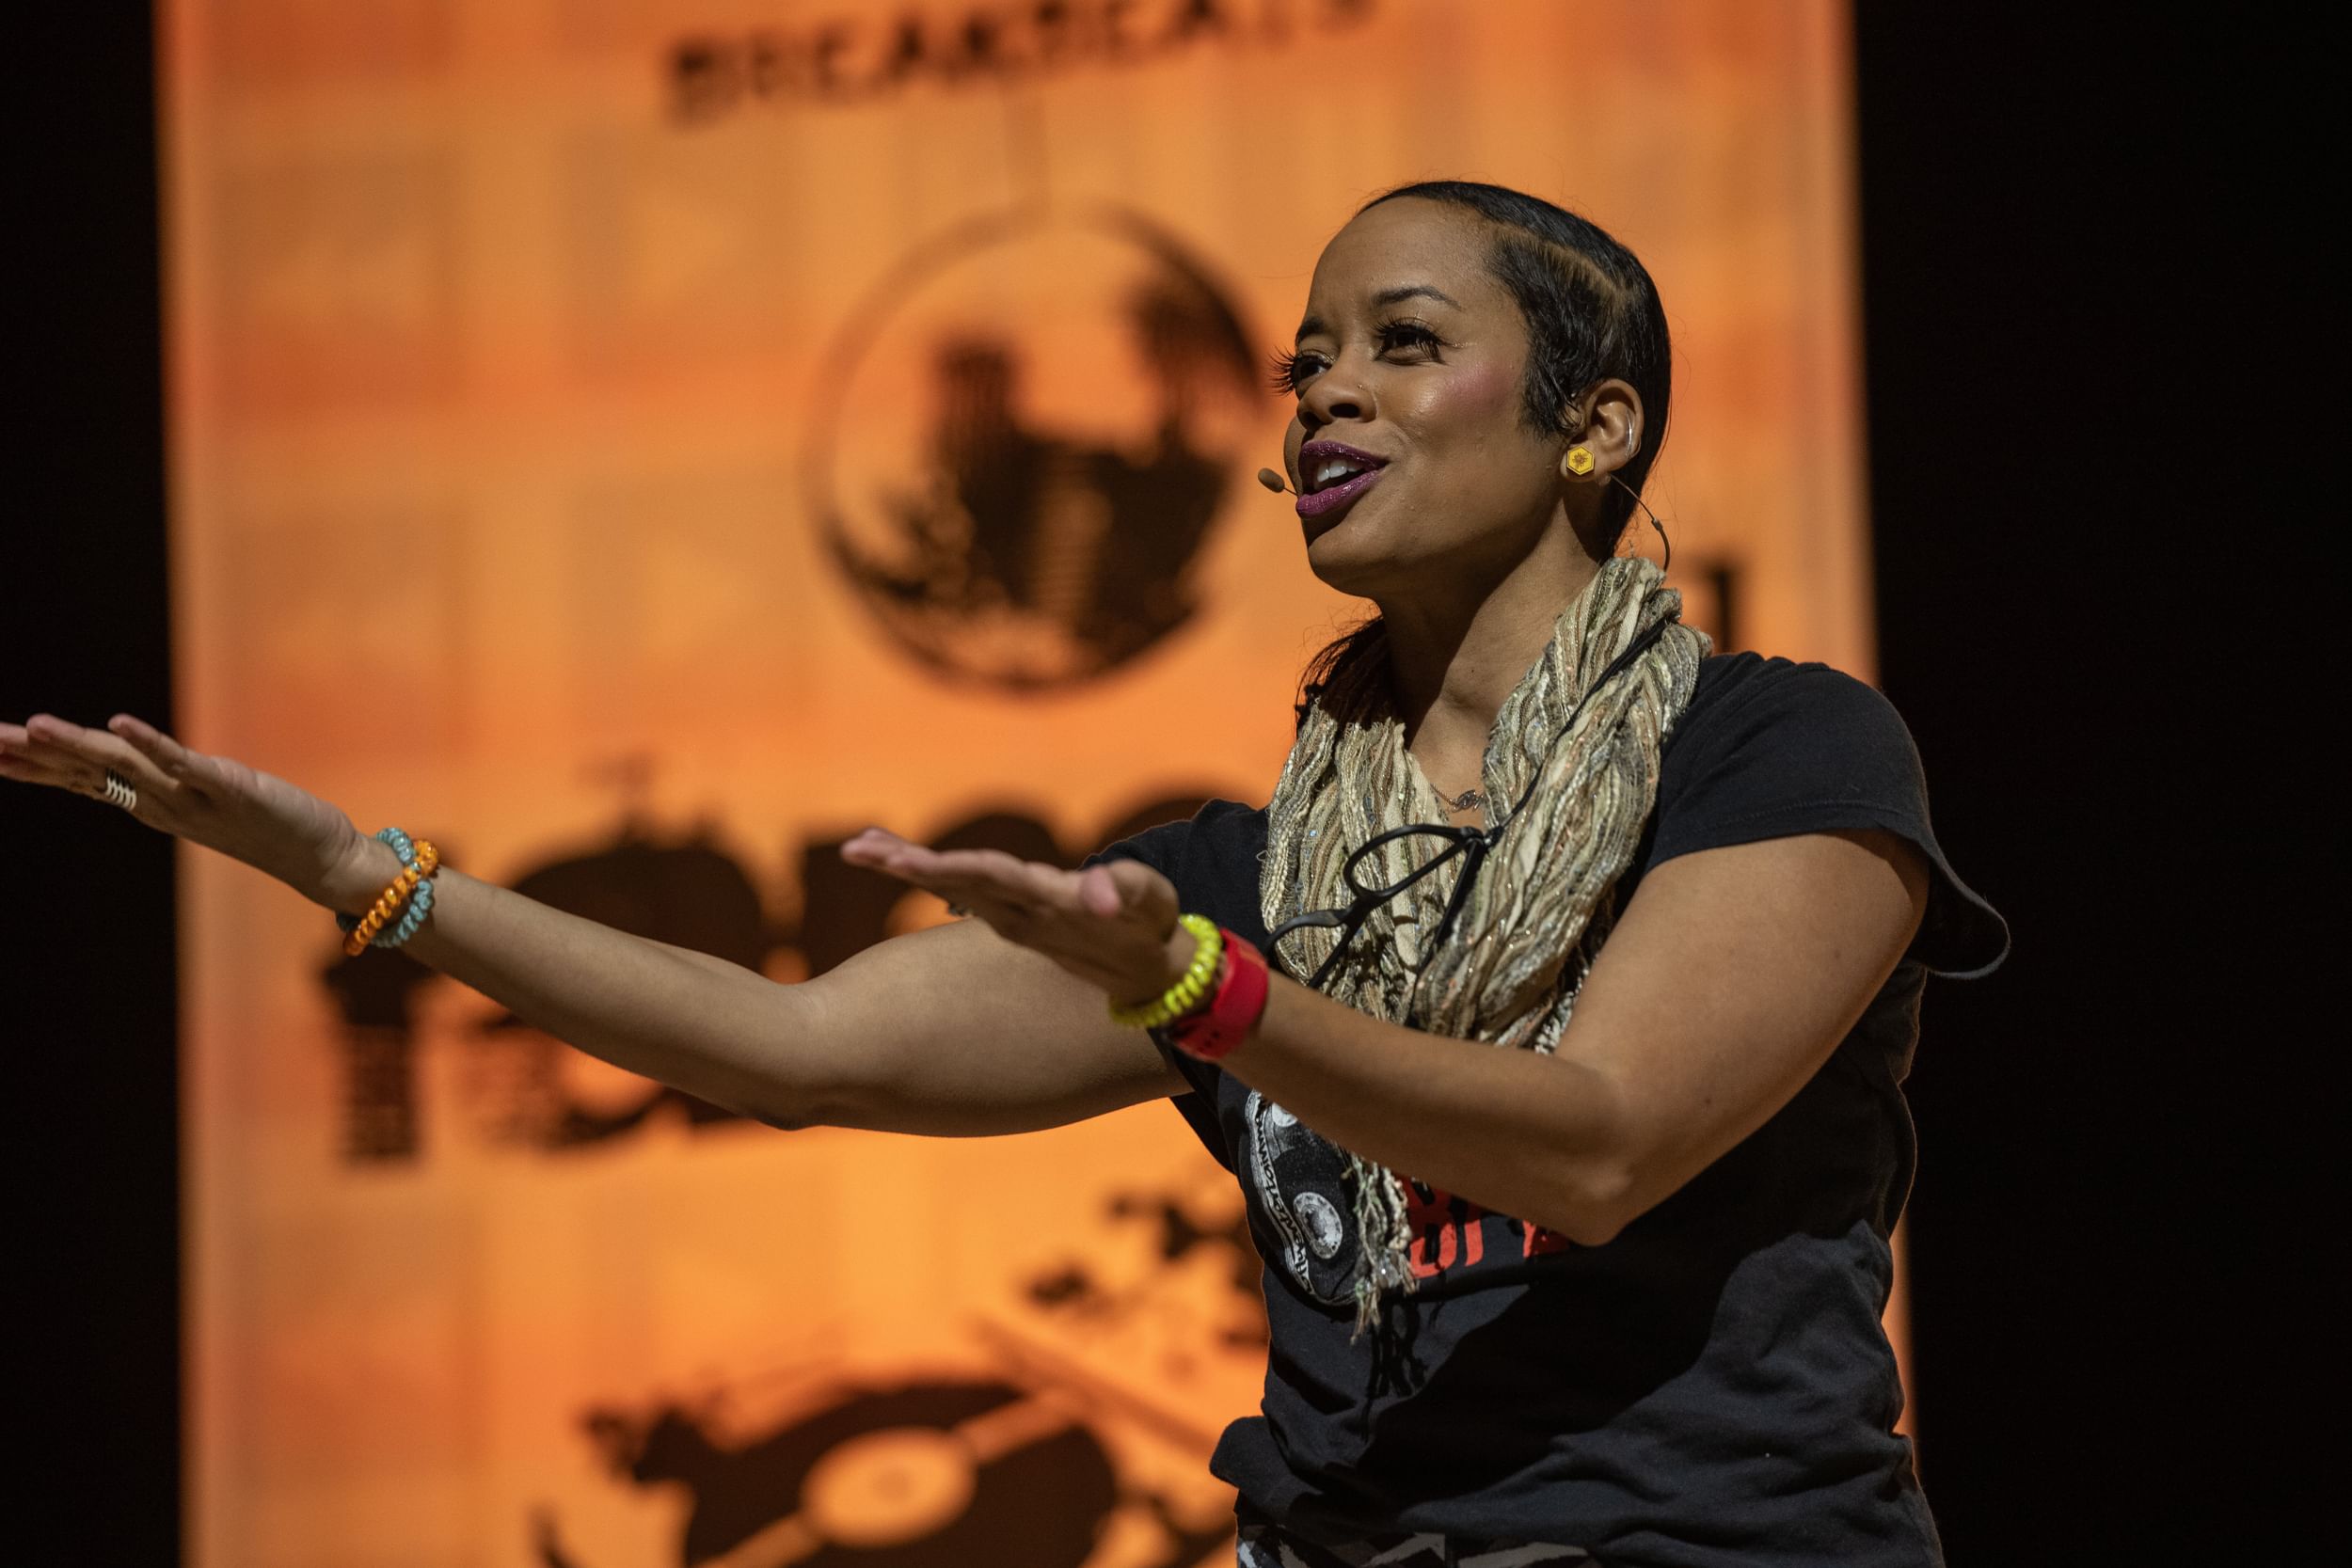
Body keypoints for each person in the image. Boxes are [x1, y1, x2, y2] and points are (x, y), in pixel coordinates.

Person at [1, 181, 2006, 1567]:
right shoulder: (1246, 875)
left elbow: (1601, 1143)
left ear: (1596, 423)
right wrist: (373, 880)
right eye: (1306, 359)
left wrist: (1206, 1001)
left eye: (1403, 344)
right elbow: (790, 1046)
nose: (1322, 390)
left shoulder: (1775, 753)